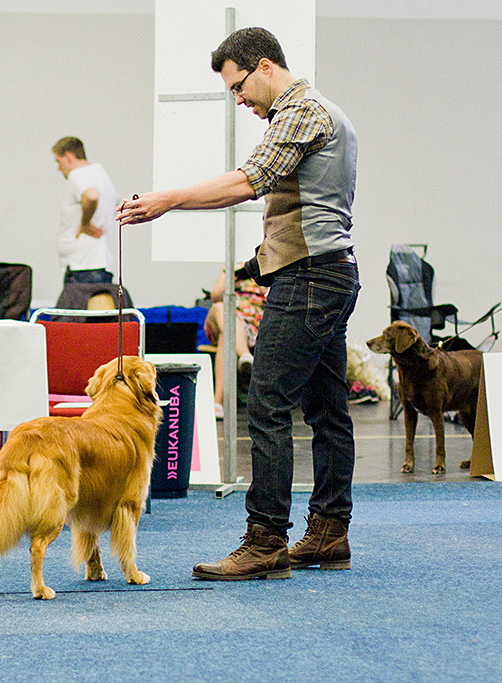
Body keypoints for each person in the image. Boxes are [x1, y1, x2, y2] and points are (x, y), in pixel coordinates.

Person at [118, 27, 360, 580]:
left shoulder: (302, 111)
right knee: (327, 409)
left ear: (266, 66)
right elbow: (306, 210)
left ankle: (266, 541)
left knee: (268, 405)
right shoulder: (327, 114)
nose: (239, 99)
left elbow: (250, 182)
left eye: (239, 87)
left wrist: (165, 201)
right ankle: (328, 532)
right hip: (328, 272)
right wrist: (253, 267)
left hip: (310, 280)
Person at [52, 136, 118, 285]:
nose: (58, 168)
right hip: (100, 262)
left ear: (68, 156)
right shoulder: (101, 175)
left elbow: (91, 196)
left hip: (83, 266)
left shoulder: (77, 174)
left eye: (58, 161)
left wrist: (85, 223)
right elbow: (116, 206)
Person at [204, 267, 269, 418]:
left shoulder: (267, 265)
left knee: (226, 339)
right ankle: (245, 355)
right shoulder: (233, 265)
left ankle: (217, 403)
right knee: (221, 308)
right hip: (223, 317)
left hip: (252, 325)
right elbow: (215, 296)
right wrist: (232, 280)